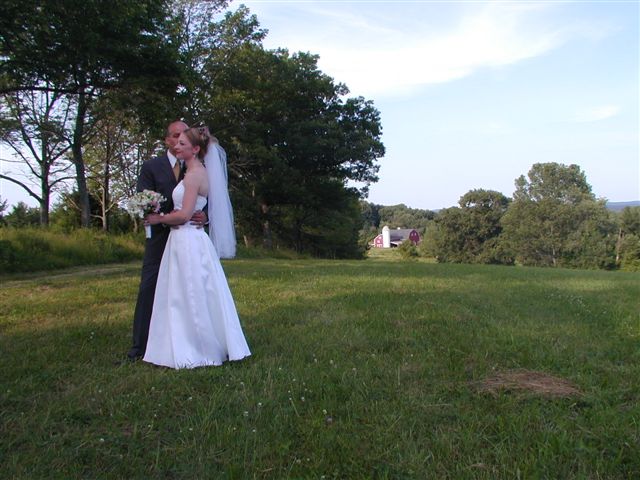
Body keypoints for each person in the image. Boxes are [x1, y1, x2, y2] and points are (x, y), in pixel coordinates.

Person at [142, 126, 251, 369]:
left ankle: (198, 348)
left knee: (190, 293)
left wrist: (159, 219)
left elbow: (183, 215)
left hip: (187, 239)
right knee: (187, 293)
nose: (176, 146)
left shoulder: (192, 176)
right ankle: (184, 342)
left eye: (181, 143)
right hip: (186, 240)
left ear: (196, 149)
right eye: (176, 142)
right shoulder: (194, 172)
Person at [128, 121, 206, 361]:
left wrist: (205, 215)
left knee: (184, 291)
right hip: (161, 238)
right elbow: (142, 198)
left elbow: (204, 199)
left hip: (185, 236)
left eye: (183, 136)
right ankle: (139, 346)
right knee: (150, 288)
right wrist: (152, 214)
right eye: (175, 136)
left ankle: (182, 340)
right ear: (167, 140)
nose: (179, 141)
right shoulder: (152, 166)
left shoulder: (194, 168)